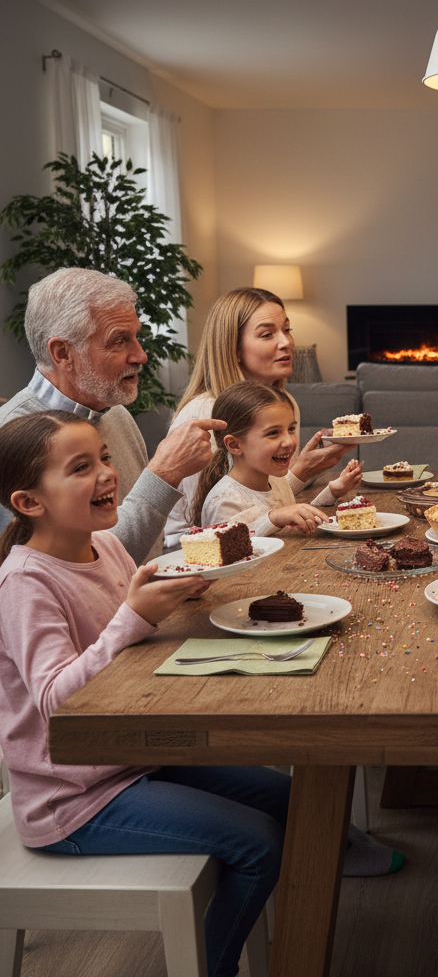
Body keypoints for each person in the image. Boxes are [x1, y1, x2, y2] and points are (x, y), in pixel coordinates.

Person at [0, 409, 288, 977]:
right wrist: (134, 615)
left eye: (105, 457)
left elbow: (122, 635)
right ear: (29, 502)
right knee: (259, 843)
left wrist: (171, 599)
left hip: (134, 757)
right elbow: (60, 704)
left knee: (288, 801)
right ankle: (217, 967)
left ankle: (302, 911)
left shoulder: (104, 546)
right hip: (73, 798)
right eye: (82, 467)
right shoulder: (24, 583)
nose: (108, 473)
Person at [0, 268, 224, 564]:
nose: (141, 355)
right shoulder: (10, 437)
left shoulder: (115, 412)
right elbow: (72, 568)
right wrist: (163, 475)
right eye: (120, 341)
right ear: (63, 353)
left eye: (136, 337)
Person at [163, 287, 355, 550]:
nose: (286, 342)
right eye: (267, 334)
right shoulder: (204, 415)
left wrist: (307, 472)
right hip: (195, 555)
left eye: (286, 330)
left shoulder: (283, 403)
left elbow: (264, 500)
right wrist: (302, 471)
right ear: (234, 349)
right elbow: (211, 520)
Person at [191, 381, 362, 534]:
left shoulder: (276, 482)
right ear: (235, 445)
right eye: (273, 433)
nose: (288, 441)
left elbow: (293, 525)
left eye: (291, 429)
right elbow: (228, 556)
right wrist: (273, 518)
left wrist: (332, 492)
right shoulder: (224, 501)